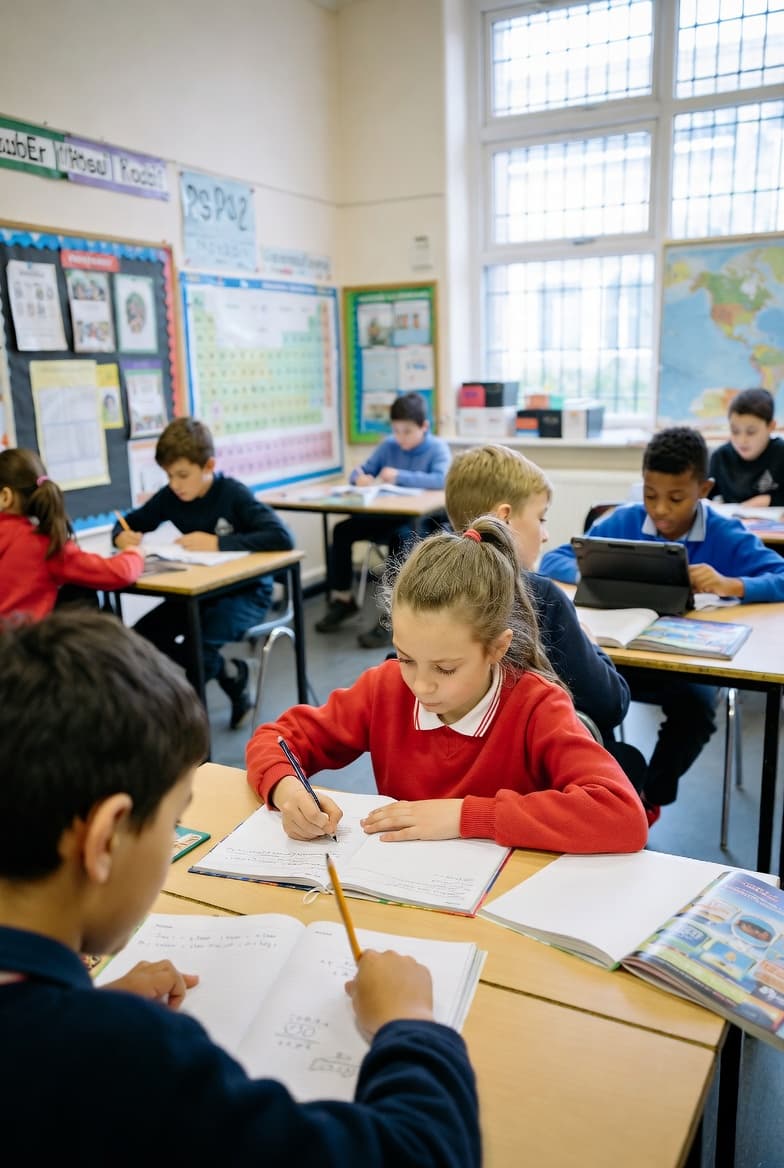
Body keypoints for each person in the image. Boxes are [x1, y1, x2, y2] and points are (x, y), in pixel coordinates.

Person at [0, 610, 480, 1166]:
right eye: (174, 819)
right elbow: (422, 1153)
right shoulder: (127, 1056)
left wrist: (77, 1007)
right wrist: (410, 1024)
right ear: (105, 839)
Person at [247, 516, 648, 854]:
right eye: (405, 658)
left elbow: (622, 814)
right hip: (407, 889)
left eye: (446, 668)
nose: (421, 684)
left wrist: (464, 815)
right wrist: (288, 792)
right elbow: (275, 739)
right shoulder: (386, 689)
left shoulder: (536, 707)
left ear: (496, 648)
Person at [540, 426, 784, 824]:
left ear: (703, 490)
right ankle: (606, 786)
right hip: (618, 657)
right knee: (579, 693)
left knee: (697, 708)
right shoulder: (625, 521)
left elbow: (780, 575)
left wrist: (732, 584)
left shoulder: (726, 534)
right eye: (651, 496)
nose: (661, 510)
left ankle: (648, 795)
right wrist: (604, 575)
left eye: (676, 498)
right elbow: (555, 560)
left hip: (685, 664)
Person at [112, 417, 294, 729]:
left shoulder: (232, 494)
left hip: (247, 593)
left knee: (199, 647)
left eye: (183, 475)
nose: (175, 484)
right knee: (141, 639)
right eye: (169, 475)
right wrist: (121, 535)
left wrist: (218, 543)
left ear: (208, 465)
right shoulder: (170, 497)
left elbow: (282, 537)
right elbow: (131, 521)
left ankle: (186, 729)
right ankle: (232, 675)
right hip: (199, 594)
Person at [445, 444, 631, 748]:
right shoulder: (540, 595)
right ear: (504, 518)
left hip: (449, 761)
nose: (545, 534)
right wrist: (593, 647)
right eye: (541, 519)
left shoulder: (427, 583)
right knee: (628, 758)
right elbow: (611, 705)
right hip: (533, 772)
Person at [316, 392, 451, 649]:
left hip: (421, 520)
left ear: (425, 427)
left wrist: (401, 475)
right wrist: (359, 478)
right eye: (396, 431)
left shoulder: (437, 448)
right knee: (342, 530)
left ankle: (394, 615)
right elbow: (362, 470)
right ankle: (344, 600)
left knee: (401, 539)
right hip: (385, 515)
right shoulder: (389, 445)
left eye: (407, 432)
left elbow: (441, 479)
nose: (401, 438)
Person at [0, 447, 144, 619]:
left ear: (6, 496)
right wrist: (135, 554)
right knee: (82, 594)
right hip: (27, 643)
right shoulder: (43, 544)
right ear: (5, 497)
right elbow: (118, 573)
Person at [709, 388, 784, 507]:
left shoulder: (780, 453)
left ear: (771, 426)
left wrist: (768, 500)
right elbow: (704, 498)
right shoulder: (721, 457)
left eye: (751, 432)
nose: (741, 440)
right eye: (735, 431)